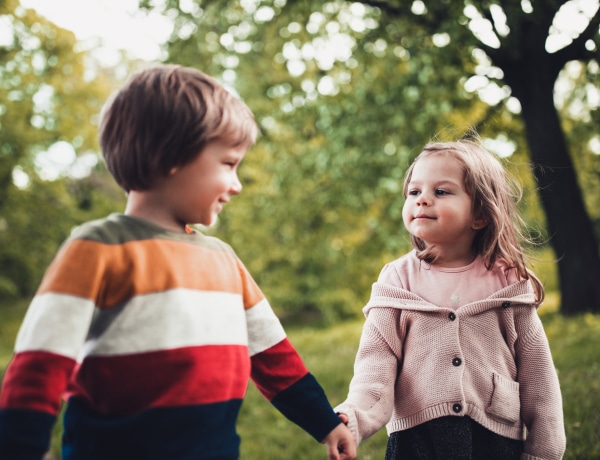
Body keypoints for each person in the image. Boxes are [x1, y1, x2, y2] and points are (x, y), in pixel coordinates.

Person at [0, 64, 356, 460]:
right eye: (228, 164)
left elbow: (272, 355)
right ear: (172, 155)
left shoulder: (224, 260)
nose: (236, 184)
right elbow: (40, 364)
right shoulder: (96, 248)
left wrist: (324, 421)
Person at [335, 135, 566, 459]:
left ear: (480, 215)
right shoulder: (398, 280)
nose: (422, 200)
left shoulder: (507, 280)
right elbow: (375, 364)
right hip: (417, 441)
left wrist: (544, 450)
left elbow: (538, 375)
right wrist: (354, 417)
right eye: (414, 191)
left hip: (493, 439)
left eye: (440, 191)